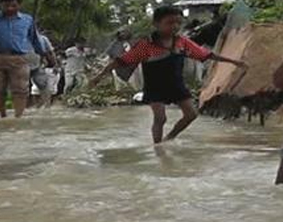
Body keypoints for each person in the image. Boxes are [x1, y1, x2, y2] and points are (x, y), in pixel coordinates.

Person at [91, 6, 248, 144]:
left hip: (176, 85)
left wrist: (233, 62)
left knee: (191, 114)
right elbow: (121, 61)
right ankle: (157, 146)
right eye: (170, 22)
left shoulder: (182, 42)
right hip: (155, 87)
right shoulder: (146, 45)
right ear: (156, 24)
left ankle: (170, 137)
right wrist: (99, 76)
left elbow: (206, 55)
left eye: (178, 23)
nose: (175, 26)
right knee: (160, 118)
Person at [0, 0, 48, 118]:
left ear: (19, 5)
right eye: (7, 5)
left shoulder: (27, 20)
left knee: (21, 89)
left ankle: (18, 117)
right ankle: (3, 115)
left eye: (14, 5)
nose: (10, 8)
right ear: (1, 4)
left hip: (19, 58)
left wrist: (43, 54)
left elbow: (34, 39)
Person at [28, 33, 58, 108]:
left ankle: (46, 107)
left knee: (43, 86)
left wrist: (55, 65)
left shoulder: (42, 39)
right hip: (23, 65)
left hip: (37, 66)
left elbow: (50, 52)